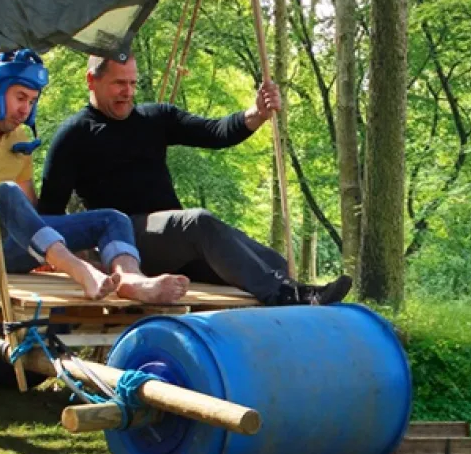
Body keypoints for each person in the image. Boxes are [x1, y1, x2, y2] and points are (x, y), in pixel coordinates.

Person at [38, 54, 353, 306]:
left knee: (271, 263)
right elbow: (49, 214)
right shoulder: (73, 136)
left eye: (133, 83)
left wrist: (256, 114)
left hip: (174, 243)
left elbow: (215, 132)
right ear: (91, 81)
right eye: (119, 83)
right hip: (124, 242)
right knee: (196, 222)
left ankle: (301, 299)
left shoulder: (155, 118)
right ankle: (287, 296)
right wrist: (79, 263)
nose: (129, 92)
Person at [0, 49, 189, 303]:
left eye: (32, 100)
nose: (26, 109)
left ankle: (130, 279)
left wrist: (72, 240)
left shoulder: (21, 139)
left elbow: (30, 209)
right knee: (5, 193)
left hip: (7, 250)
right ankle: (80, 271)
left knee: (112, 218)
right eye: (20, 97)